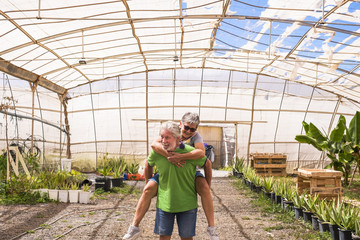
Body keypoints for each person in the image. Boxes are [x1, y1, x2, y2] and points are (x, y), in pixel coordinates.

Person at [123, 113, 219, 240]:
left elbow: (201, 154)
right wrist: (169, 156)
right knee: (147, 189)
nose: (189, 131)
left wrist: (180, 157)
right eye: (186, 127)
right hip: (166, 168)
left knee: (205, 188)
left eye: (193, 129)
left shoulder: (196, 137)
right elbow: (154, 145)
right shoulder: (170, 131)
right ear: (181, 124)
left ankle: (211, 228)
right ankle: (134, 227)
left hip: (189, 168)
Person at [148, 121, 206, 239]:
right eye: (162, 137)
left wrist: (207, 185)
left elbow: (207, 163)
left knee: (186, 238)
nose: (163, 141)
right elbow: (148, 164)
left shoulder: (190, 152)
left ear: (178, 138)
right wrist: (148, 182)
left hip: (187, 205)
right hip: (165, 205)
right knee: (163, 237)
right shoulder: (157, 152)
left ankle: (212, 227)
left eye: (167, 137)